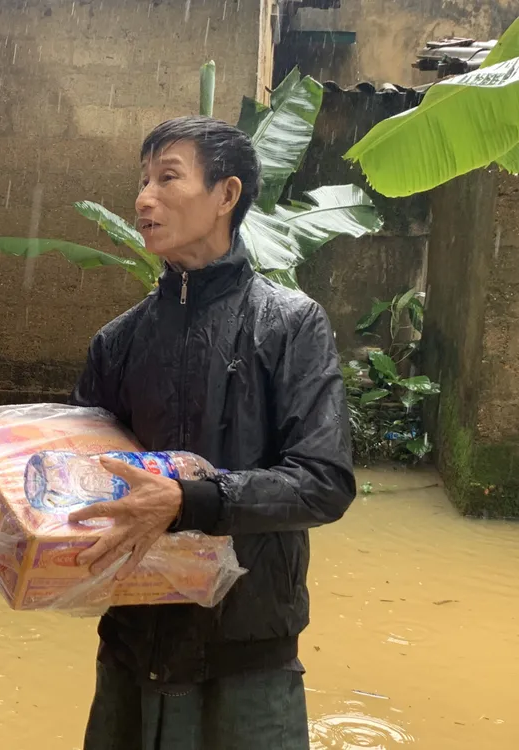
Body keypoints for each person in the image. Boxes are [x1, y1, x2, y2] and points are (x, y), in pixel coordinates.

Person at [68, 116, 357, 749]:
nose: (144, 198)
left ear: (226, 194)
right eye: (142, 181)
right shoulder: (117, 342)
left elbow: (324, 483)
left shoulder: (290, 325)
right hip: (130, 643)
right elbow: (79, 482)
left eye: (168, 178)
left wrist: (193, 500)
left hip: (247, 651)